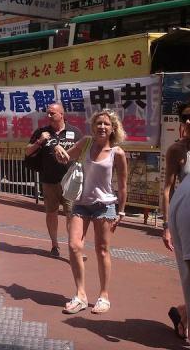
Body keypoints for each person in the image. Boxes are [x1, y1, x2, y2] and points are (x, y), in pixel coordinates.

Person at [55, 109, 127, 314]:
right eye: (98, 123)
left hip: (105, 205)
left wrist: (121, 211)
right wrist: (59, 150)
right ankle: (81, 295)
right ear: (93, 127)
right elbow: (65, 159)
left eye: (106, 124)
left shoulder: (117, 153)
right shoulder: (86, 143)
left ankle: (104, 296)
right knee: (74, 245)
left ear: (113, 128)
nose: (102, 127)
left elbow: (122, 186)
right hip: (81, 203)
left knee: (102, 250)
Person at [25, 103, 82, 257]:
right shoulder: (41, 132)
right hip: (49, 181)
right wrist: (39, 141)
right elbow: (28, 151)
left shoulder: (75, 132)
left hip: (70, 182)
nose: (48, 116)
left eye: (52, 113)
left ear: (61, 114)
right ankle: (55, 245)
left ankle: (73, 246)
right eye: (47, 113)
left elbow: (82, 153)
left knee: (72, 215)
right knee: (52, 213)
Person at [163, 102, 190, 339]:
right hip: (185, 217)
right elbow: (167, 190)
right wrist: (166, 226)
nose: (188, 121)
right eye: (185, 117)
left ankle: (182, 313)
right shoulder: (177, 150)